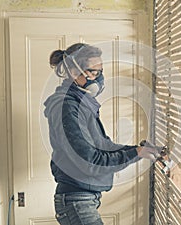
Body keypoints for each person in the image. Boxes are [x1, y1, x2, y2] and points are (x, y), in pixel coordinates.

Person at [44, 43, 160, 225]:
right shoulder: (66, 107)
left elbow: (103, 146)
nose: (99, 79)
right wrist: (135, 153)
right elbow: (90, 161)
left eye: (100, 72)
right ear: (74, 73)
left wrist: (139, 151)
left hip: (84, 199)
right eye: (94, 72)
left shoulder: (81, 102)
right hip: (76, 201)